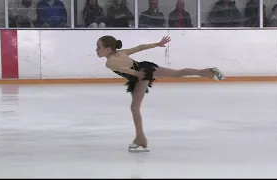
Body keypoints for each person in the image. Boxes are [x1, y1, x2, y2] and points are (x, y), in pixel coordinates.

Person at [96, 35, 225, 152]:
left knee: (134, 108)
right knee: (177, 73)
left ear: (108, 49)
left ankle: (140, 139)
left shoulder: (109, 62)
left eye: (99, 47)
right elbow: (139, 47)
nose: (96, 50)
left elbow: (125, 70)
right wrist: (157, 44)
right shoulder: (121, 53)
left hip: (140, 77)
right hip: (145, 68)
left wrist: (139, 75)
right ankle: (207, 72)